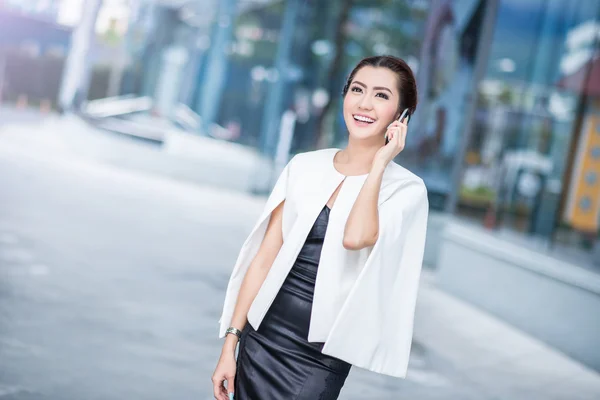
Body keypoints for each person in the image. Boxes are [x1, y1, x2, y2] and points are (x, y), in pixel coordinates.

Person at [212, 55, 429, 400]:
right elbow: (265, 259)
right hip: (261, 335)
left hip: (320, 355)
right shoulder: (304, 166)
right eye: (357, 89)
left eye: (381, 96)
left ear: (402, 115)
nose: (364, 103)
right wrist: (231, 342)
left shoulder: (406, 189)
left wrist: (380, 164)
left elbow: (356, 237)